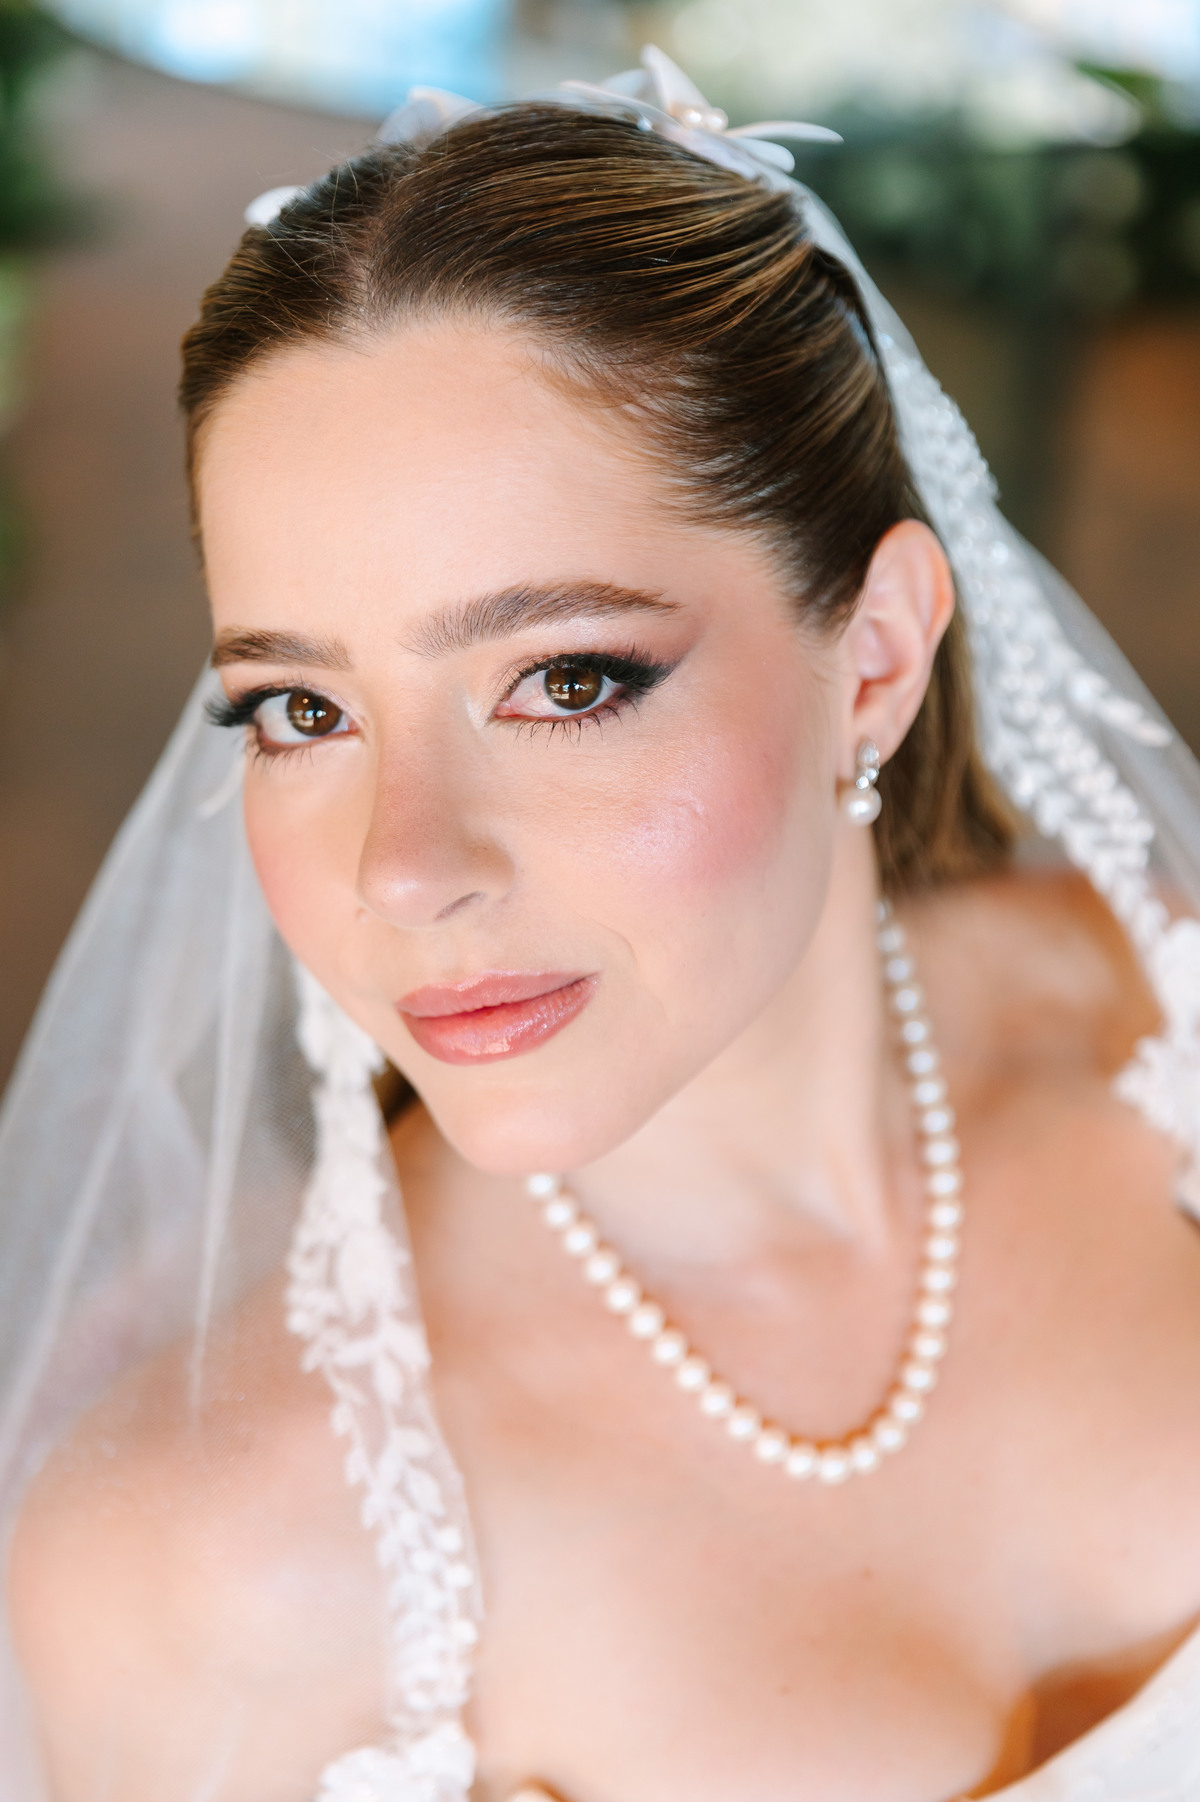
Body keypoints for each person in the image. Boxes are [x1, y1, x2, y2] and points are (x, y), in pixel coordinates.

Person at [2, 44, 1200, 1802]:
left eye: (564, 679)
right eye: (301, 709)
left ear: (871, 654)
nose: (405, 867)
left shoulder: (1167, 1013)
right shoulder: (210, 1565)